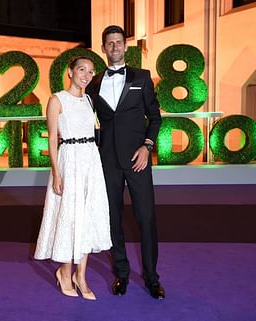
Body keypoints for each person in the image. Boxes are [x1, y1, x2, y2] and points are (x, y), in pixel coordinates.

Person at [85, 25, 165, 299]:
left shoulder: (142, 78)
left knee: (146, 218)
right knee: (113, 219)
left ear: (125, 47)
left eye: (119, 42)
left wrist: (147, 146)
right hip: (106, 162)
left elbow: (155, 118)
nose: (115, 47)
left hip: (138, 160)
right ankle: (121, 272)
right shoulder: (93, 85)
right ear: (103, 48)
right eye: (110, 43)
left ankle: (152, 278)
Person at [34, 56, 112, 301]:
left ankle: (82, 276)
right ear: (70, 72)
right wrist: (57, 172)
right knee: (70, 215)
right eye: (81, 69)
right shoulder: (57, 99)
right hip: (69, 159)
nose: (86, 75)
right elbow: (52, 139)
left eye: (90, 71)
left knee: (87, 215)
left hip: (90, 160)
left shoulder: (90, 99)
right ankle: (65, 274)